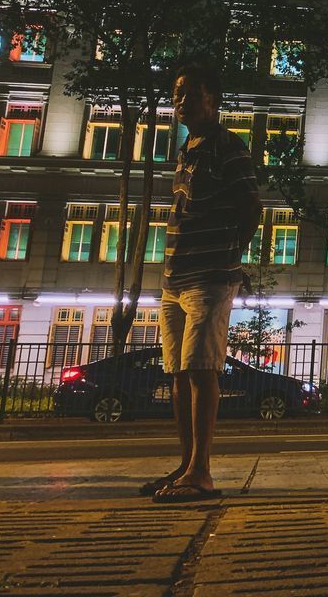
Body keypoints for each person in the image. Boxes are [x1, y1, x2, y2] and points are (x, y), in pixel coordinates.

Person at [143, 62, 262, 503]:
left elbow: (251, 206)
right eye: (176, 93)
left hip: (209, 277)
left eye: (189, 93)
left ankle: (202, 472)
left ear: (212, 99)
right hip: (175, 277)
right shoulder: (186, 148)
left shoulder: (226, 146)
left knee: (201, 368)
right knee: (177, 371)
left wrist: (231, 256)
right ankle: (185, 463)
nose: (179, 100)